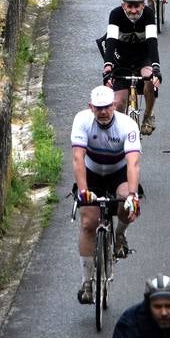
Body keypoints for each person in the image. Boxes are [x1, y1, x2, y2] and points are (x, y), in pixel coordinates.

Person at [71, 85, 141, 303]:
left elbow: (133, 163)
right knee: (88, 223)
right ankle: (87, 283)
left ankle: (120, 234)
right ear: (90, 107)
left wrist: (132, 194)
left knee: (125, 206)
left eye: (107, 107)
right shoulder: (82, 120)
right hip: (92, 173)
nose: (103, 112)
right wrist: (83, 192)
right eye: (98, 108)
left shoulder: (127, 125)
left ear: (114, 106)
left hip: (118, 173)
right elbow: (78, 159)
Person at [102, 0, 162, 136]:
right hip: (122, 60)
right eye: (130, 7)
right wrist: (108, 66)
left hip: (143, 57)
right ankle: (121, 131)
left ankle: (148, 116)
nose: (133, 11)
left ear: (143, 5)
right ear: (123, 6)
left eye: (137, 7)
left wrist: (156, 68)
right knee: (120, 101)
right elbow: (110, 41)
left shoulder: (148, 14)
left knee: (149, 78)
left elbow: (152, 42)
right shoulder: (115, 14)